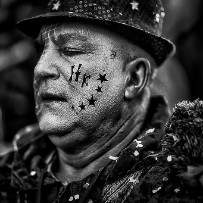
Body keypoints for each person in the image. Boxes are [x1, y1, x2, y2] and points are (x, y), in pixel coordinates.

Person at [0, 0, 184, 202]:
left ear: (133, 78)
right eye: (41, 50)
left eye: (70, 50)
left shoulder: (178, 187)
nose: (41, 69)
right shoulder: (10, 172)